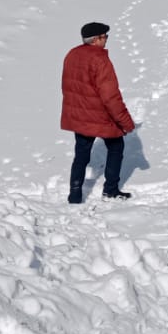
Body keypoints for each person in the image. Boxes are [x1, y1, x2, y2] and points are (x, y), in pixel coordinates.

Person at [61, 21, 136, 203]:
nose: (106, 40)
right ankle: (110, 190)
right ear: (96, 39)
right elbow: (110, 96)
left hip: (79, 116)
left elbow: (68, 85)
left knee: (81, 155)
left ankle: (75, 193)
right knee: (116, 147)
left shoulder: (72, 54)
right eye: (105, 36)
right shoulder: (100, 59)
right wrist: (125, 122)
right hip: (101, 116)